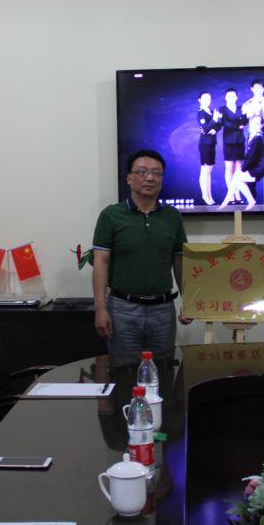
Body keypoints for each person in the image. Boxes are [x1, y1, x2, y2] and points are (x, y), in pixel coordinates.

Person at [92, 149, 191, 366]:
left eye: (156, 173)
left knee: (163, 371)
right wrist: (100, 308)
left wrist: (189, 302)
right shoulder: (111, 215)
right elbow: (101, 262)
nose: (149, 178)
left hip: (162, 310)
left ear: (161, 180)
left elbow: (180, 261)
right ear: (129, 178)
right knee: (123, 372)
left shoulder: (172, 217)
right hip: (122, 309)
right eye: (142, 172)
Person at [219, 115, 264, 208]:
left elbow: (252, 156)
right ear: (250, 123)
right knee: (236, 178)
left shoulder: (258, 137)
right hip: (257, 164)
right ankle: (228, 202)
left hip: (263, 167)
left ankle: (226, 203)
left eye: (258, 123)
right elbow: (249, 155)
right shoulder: (251, 134)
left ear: (261, 125)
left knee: (237, 178)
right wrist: (242, 168)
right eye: (253, 122)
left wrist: (243, 169)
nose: (255, 125)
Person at [219, 88, 248, 205]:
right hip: (228, 141)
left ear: (236, 97)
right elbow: (225, 124)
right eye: (229, 96)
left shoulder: (241, 108)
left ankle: (238, 194)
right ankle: (231, 195)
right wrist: (238, 126)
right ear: (226, 97)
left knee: (239, 168)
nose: (231, 98)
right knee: (229, 168)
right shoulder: (222, 109)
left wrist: (244, 114)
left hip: (240, 140)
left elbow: (245, 122)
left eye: (233, 96)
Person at [196, 92, 222, 205]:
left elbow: (219, 125)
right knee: (205, 170)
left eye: (209, 99)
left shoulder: (212, 112)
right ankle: (204, 196)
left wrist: (215, 129)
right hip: (205, 144)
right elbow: (205, 128)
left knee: (209, 171)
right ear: (200, 100)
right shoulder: (200, 113)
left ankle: (209, 195)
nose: (207, 100)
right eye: (205, 98)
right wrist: (214, 120)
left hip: (212, 143)